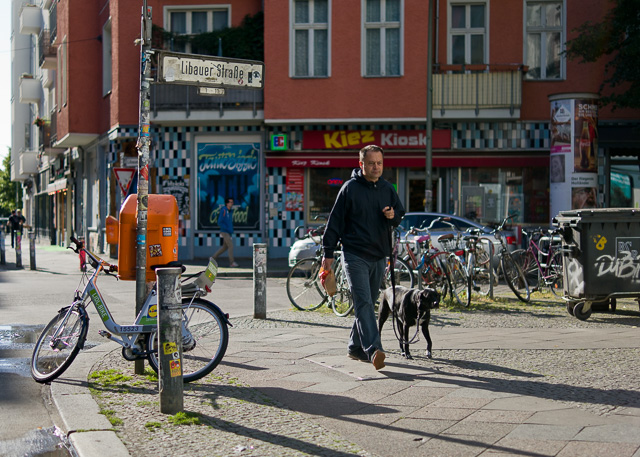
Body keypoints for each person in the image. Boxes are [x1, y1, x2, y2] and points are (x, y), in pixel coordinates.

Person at [321, 145, 405, 370]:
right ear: (361, 164)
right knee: (364, 302)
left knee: (366, 303)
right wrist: (327, 253)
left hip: (378, 255)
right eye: (371, 163)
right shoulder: (349, 189)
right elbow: (334, 223)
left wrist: (392, 215)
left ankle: (354, 346)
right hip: (354, 254)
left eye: (379, 163)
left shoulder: (387, 188)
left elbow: (399, 215)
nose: (376, 167)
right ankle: (374, 349)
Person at [213, 198, 239, 267]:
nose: (232, 203)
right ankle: (232, 263)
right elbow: (219, 222)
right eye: (230, 202)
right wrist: (226, 228)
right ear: (227, 203)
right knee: (231, 246)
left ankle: (212, 258)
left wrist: (230, 230)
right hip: (224, 231)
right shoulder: (224, 210)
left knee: (225, 247)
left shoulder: (230, 211)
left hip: (228, 231)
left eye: (232, 202)